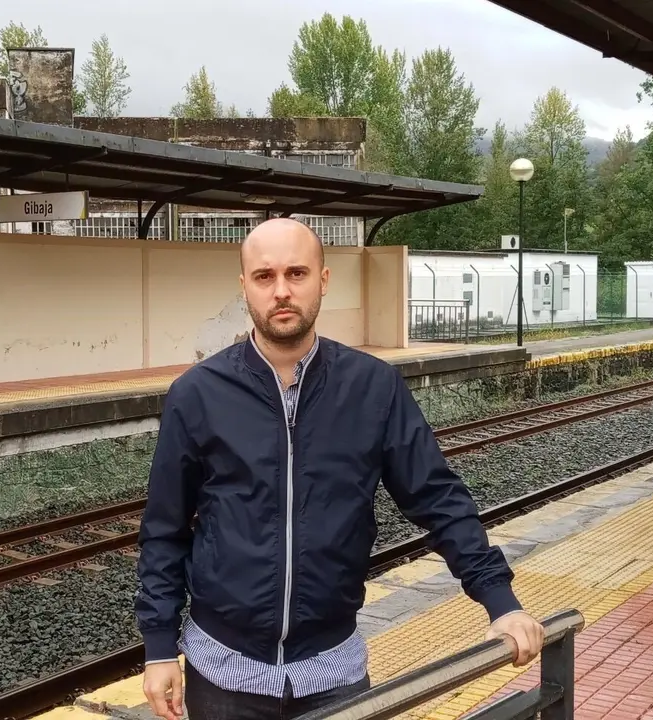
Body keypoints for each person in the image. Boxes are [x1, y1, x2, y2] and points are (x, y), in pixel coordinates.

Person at [134, 218, 544, 720]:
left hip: (333, 670)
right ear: (244, 287)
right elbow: (164, 530)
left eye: (297, 273)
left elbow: (437, 498)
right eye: (264, 277)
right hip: (223, 669)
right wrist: (158, 647)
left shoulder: (374, 388)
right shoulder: (197, 394)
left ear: (323, 280)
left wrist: (500, 602)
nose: (281, 291)